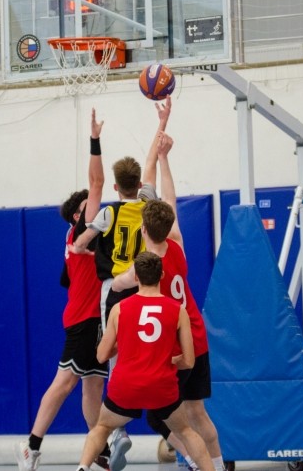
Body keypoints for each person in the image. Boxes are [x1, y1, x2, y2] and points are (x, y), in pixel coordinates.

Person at [111, 135, 228, 471]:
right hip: (197, 337)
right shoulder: (176, 243)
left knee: (159, 417)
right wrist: (164, 158)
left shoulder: (144, 267)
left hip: (175, 347)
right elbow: (170, 200)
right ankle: (217, 465)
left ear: (143, 230)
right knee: (198, 413)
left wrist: (114, 280)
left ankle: (193, 460)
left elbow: (118, 283)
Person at [71, 96, 172, 471]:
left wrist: (83, 247)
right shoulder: (148, 205)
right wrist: (161, 125)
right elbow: (151, 165)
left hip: (114, 289)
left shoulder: (108, 213)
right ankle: (163, 427)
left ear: (115, 187)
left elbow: (80, 243)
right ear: (139, 185)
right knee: (152, 350)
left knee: (113, 356)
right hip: (145, 284)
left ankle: (118, 428)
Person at [15, 110, 111, 471]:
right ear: (77, 215)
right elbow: (97, 181)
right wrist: (95, 140)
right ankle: (31, 446)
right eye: (89, 205)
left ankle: (99, 448)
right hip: (84, 320)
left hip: (93, 319)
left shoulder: (85, 239)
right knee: (65, 382)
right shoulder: (81, 230)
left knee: (92, 387)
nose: (96, 205)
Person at [75, 252, 214, 471]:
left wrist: (123, 344)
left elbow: (101, 356)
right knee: (186, 431)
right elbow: (188, 361)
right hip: (162, 386)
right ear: (162, 275)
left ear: (135, 277)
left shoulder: (119, 309)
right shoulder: (178, 311)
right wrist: (168, 361)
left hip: (125, 385)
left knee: (101, 427)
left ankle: (83, 467)